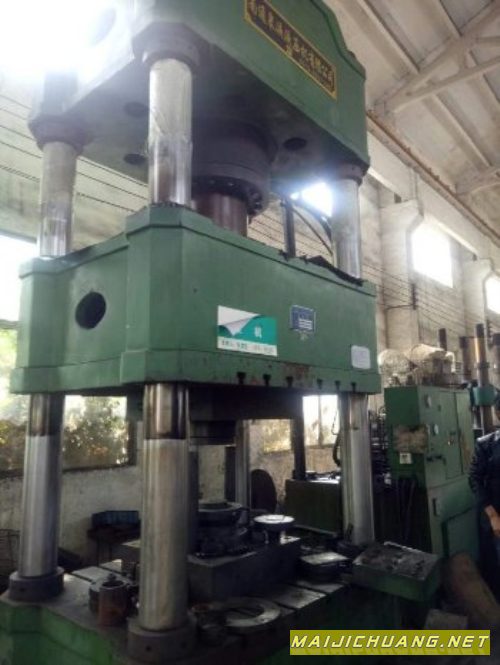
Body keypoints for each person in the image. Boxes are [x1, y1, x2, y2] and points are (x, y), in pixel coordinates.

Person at [469, 424, 500, 596]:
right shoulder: (486, 444)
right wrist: (493, 515)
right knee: (495, 564)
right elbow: (475, 479)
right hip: (495, 514)